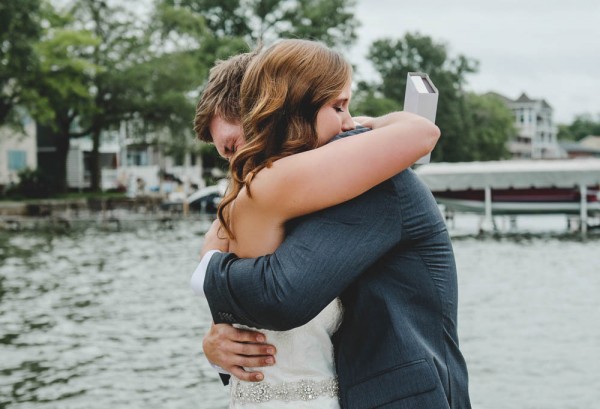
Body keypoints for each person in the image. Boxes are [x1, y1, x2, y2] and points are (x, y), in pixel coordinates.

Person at [192, 39, 444, 408]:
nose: (234, 165)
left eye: (232, 146)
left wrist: (208, 271)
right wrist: (216, 343)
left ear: (266, 112)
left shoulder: (368, 178)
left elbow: (279, 298)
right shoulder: (254, 201)